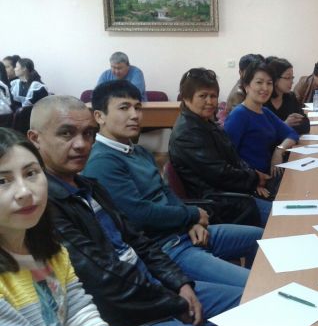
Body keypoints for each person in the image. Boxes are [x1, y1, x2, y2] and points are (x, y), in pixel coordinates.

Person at [27, 95, 262, 326]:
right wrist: (172, 301)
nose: (81, 144)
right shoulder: (44, 206)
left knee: (261, 301)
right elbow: (105, 279)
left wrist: (180, 283)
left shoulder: (89, 185)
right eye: (66, 133)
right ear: (35, 138)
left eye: (88, 134)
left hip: (156, 287)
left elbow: (138, 240)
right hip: (133, 317)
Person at [0, 128, 215, 326]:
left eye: (30, 173)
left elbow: (79, 313)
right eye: (3, 181)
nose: (25, 192)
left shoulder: (53, 250)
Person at [84, 80, 263, 290]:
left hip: (183, 231)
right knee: (258, 287)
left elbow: (165, 192)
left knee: (262, 239)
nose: (135, 115)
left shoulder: (138, 151)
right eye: (124, 108)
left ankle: (243, 297)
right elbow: (139, 215)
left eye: (138, 107)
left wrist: (191, 221)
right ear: (99, 116)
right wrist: (191, 215)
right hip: (167, 248)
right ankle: (246, 296)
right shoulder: (102, 162)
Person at [170, 68, 272, 226]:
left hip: (233, 193)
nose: (210, 102)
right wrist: (254, 179)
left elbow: (233, 157)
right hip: (218, 204)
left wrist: (253, 177)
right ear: (186, 98)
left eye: (213, 96)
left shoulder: (204, 122)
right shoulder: (187, 133)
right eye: (203, 96)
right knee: (283, 217)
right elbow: (219, 174)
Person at [224, 61, 298, 183]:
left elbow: (292, 134)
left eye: (269, 83)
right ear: (247, 86)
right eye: (259, 82)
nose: (265, 88)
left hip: (271, 175)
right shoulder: (238, 115)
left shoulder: (264, 111)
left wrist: (279, 150)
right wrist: (253, 180)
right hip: (253, 183)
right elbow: (228, 159)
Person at [264, 57, 310, 134]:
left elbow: (305, 125)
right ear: (275, 79)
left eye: (292, 78)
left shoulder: (291, 97)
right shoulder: (263, 100)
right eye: (288, 78)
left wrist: (283, 129)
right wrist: (284, 125)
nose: (292, 82)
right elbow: (263, 133)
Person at [223, 53, 264, 119]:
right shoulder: (239, 94)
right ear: (240, 73)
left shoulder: (248, 85)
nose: (254, 75)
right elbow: (240, 119)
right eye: (249, 72)